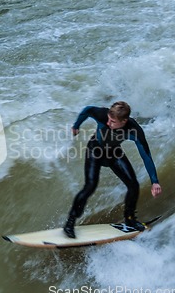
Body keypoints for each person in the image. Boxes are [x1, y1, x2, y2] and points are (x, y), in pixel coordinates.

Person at [63, 101, 162, 238]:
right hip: (95, 150)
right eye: (109, 119)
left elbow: (146, 156)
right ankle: (70, 222)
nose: (109, 123)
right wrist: (76, 126)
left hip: (114, 153)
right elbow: (87, 109)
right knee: (90, 186)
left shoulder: (134, 130)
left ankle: (130, 219)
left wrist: (155, 181)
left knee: (133, 185)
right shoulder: (103, 115)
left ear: (124, 121)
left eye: (113, 121)